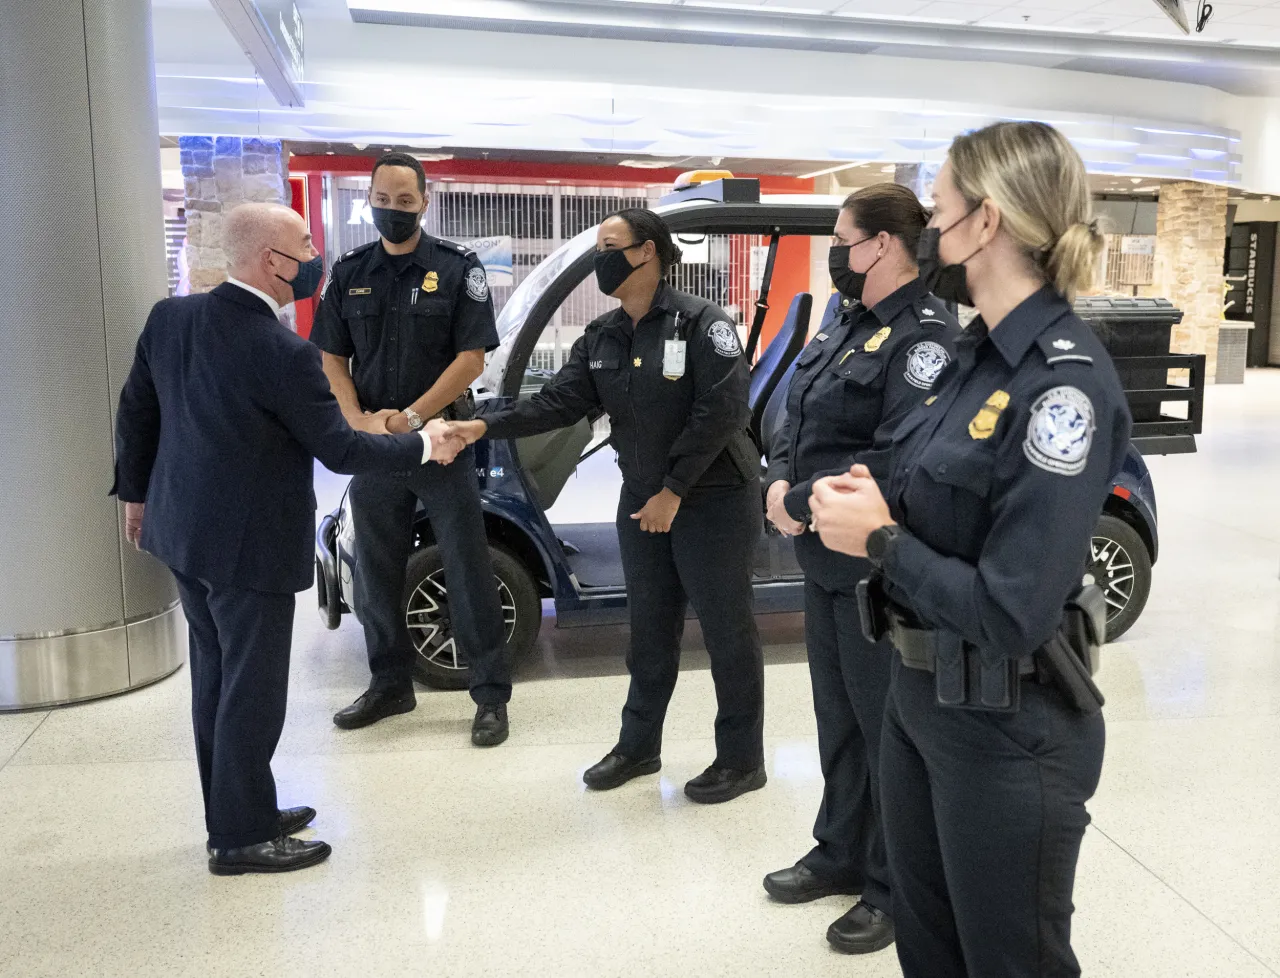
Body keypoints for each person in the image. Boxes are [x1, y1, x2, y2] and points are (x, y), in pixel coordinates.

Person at [808, 121, 1130, 977]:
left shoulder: (1063, 386)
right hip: (918, 698)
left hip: (1006, 728)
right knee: (931, 947)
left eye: (939, 210)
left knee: (1008, 959)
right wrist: (842, 497)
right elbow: (909, 472)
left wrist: (878, 539)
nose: (928, 231)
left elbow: (1015, 610)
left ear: (985, 223)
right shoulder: (968, 357)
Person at [112, 203, 464, 875]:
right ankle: (241, 841)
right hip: (250, 551)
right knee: (251, 690)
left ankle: (238, 811)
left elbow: (137, 409)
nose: (314, 253)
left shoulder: (171, 318)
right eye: (305, 243)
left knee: (215, 679)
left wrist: (136, 495)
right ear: (273, 261)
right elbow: (340, 450)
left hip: (182, 533)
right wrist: (424, 442)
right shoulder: (282, 352)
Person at [448, 208, 767, 804]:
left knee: (727, 632)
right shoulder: (604, 336)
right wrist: (480, 426)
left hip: (712, 499)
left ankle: (742, 759)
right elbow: (559, 404)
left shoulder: (702, 324)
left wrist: (672, 491)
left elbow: (722, 414)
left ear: (648, 252)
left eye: (611, 246)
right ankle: (638, 746)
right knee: (648, 631)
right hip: (643, 499)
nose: (602, 258)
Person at [761, 183, 961, 955]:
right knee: (837, 719)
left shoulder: (925, 340)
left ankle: (890, 887)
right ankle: (841, 849)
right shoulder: (846, 321)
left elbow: (896, 457)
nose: (835, 254)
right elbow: (793, 411)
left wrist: (801, 500)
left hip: (873, 569)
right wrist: (781, 486)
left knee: (887, 735)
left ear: (880, 245)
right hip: (821, 558)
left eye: (843, 239)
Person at [310, 152, 513, 746]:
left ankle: (490, 695)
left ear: (425, 202)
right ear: (367, 200)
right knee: (373, 569)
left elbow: (472, 358)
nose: (392, 210)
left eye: (405, 200)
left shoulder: (457, 269)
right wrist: (356, 422)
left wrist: (415, 419)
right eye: (382, 199)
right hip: (374, 446)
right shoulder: (348, 272)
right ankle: (390, 684)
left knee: (467, 565)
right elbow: (331, 359)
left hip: (442, 441)